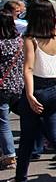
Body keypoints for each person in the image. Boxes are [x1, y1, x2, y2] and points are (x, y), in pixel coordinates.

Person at [2, 0, 56, 182]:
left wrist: (29, 94)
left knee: (28, 137)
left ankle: (20, 179)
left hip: (37, 89)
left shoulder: (31, 38)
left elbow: (28, 68)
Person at [0, 12, 23, 170]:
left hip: (2, 87)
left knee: (3, 122)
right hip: (17, 86)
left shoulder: (0, 44)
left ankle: (9, 156)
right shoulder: (19, 41)